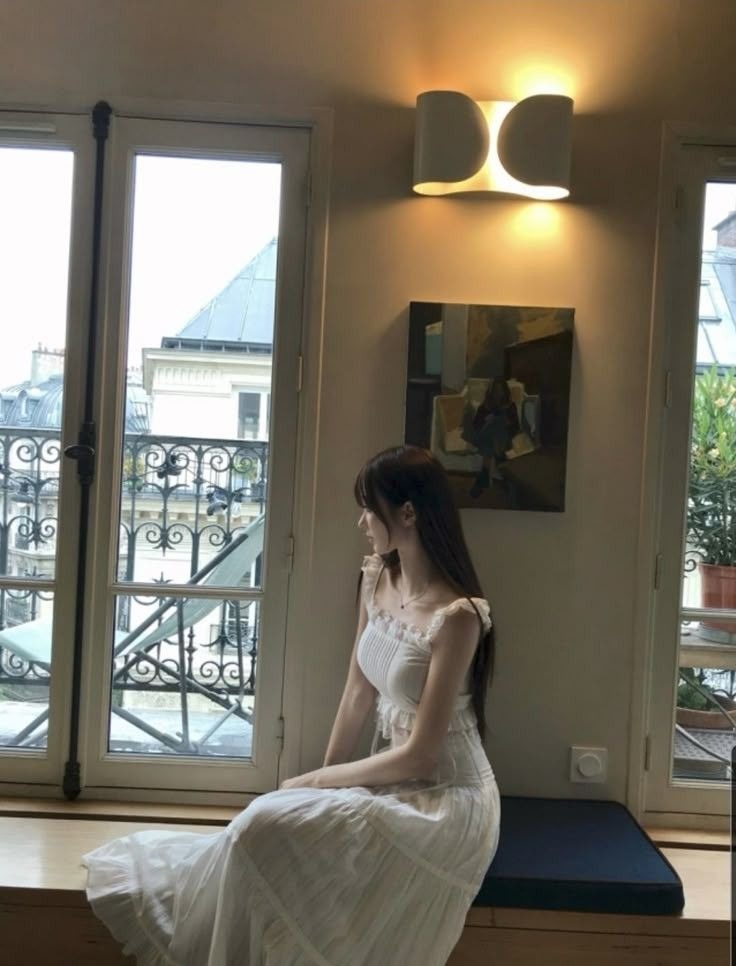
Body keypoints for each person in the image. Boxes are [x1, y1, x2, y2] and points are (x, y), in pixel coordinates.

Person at [82, 444, 501, 965]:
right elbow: (356, 692)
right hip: (395, 781)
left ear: (408, 514)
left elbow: (421, 755)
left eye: (369, 508)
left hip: (448, 803)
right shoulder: (377, 578)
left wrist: (319, 782)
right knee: (265, 821)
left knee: (263, 825)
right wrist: (321, 786)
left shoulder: (459, 616)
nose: (362, 521)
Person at [463, 378, 520, 498]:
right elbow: (476, 426)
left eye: (501, 390)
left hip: (502, 439)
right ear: (491, 391)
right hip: (485, 437)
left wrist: (506, 422)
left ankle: (484, 476)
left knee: (498, 422)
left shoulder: (510, 406)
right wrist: (487, 419)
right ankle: (500, 462)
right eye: (496, 390)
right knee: (493, 421)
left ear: (505, 391)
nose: (499, 393)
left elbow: (516, 428)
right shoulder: (485, 406)